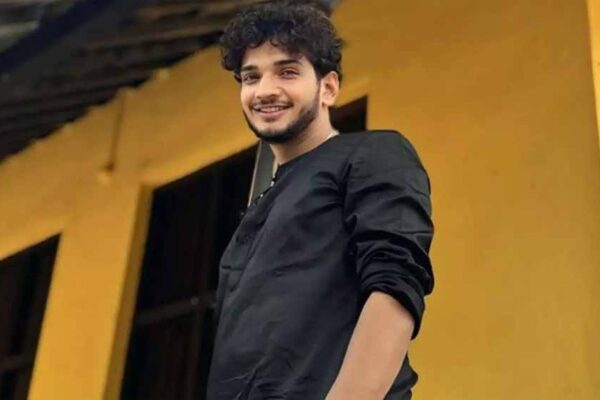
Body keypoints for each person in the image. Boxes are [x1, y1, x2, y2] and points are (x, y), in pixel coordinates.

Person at [206, 2, 434, 399]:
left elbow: (395, 286)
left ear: (328, 87)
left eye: (287, 71)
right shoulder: (259, 208)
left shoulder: (372, 154)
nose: (265, 90)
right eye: (251, 76)